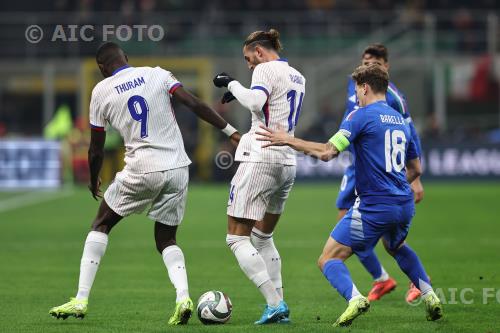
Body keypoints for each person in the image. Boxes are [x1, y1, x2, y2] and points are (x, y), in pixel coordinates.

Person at [49, 42, 240, 325]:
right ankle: (182, 297)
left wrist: (93, 179)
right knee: (166, 239)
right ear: (126, 58)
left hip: (142, 168)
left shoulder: (100, 91)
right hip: (177, 167)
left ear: (102, 68)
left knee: (101, 223)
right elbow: (194, 103)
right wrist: (231, 132)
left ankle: (80, 298)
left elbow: (96, 148)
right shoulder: (157, 74)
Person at [257, 64, 443, 327]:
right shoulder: (402, 121)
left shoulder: (360, 116)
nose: (356, 95)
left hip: (374, 206)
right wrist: (395, 187)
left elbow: (326, 152)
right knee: (395, 246)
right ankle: (430, 295)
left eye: (357, 90)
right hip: (403, 203)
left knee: (328, 258)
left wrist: (288, 140)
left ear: (365, 87)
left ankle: (355, 299)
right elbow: (416, 169)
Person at [212, 28, 305, 324]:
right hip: (287, 160)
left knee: (236, 238)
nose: (249, 64)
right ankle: (279, 306)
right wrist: (241, 91)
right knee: (263, 237)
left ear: (260, 51)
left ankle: (274, 303)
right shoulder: (298, 76)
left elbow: (255, 102)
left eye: (248, 58)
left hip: (261, 158)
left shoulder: (264, 69)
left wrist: (232, 82)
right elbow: (264, 104)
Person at [338, 43, 425, 302]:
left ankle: (417, 281)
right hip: (357, 164)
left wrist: (416, 177)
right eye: (365, 61)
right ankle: (383, 279)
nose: (368, 66)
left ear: (385, 67)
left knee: (385, 239)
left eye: (374, 63)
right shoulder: (355, 84)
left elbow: (410, 134)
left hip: (379, 168)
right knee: (347, 220)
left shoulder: (393, 97)